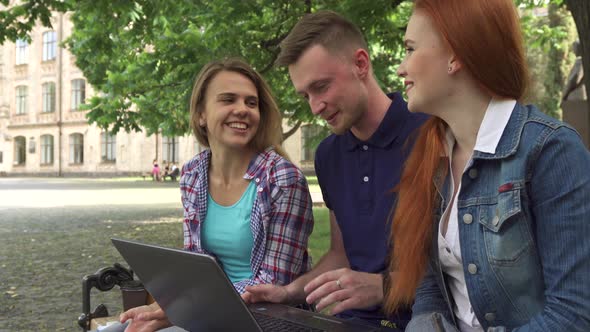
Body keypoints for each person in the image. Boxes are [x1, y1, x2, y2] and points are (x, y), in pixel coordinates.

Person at [386, 0, 590, 331]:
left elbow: (573, 314)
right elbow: (430, 292)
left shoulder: (551, 151)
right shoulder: (431, 159)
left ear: (455, 56)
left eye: (410, 49)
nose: (401, 68)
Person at [242, 10, 428, 330]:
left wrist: (383, 287)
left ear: (360, 64)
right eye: (306, 95)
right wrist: (288, 292)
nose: (315, 107)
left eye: (322, 86)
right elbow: (341, 254)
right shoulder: (328, 155)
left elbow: (466, 269)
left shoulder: (432, 134)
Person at [117, 58, 315, 332]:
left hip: (271, 319)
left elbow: (274, 281)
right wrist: (166, 305)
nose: (242, 110)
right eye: (228, 100)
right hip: (207, 313)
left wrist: (184, 307)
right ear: (201, 114)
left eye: (251, 103)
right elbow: (195, 262)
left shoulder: (283, 179)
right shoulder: (192, 175)